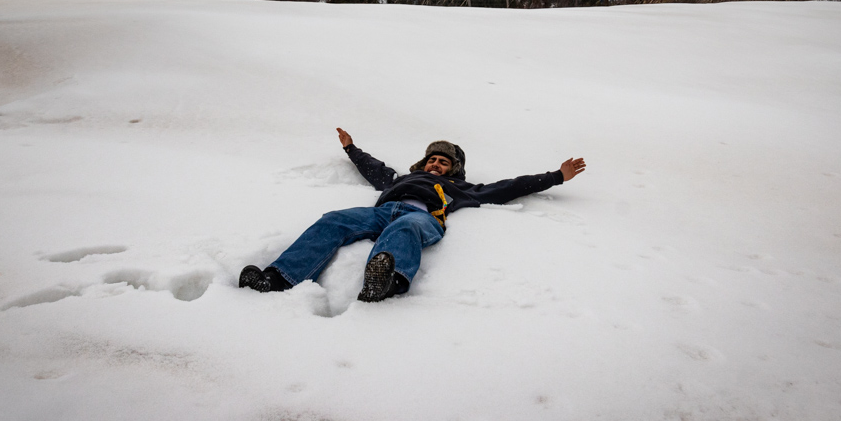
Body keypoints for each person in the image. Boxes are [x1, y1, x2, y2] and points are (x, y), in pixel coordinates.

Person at [239, 128, 586, 302]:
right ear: (423, 162)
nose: (436, 163)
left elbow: (509, 186)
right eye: (433, 159)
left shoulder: (463, 188)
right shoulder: (400, 179)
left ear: (454, 170)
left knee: (406, 226)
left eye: (444, 161)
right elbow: (372, 168)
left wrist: (556, 176)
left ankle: (385, 284)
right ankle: (278, 279)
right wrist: (350, 148)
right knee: (334, 219)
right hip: (382, 212)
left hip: (424, 218)